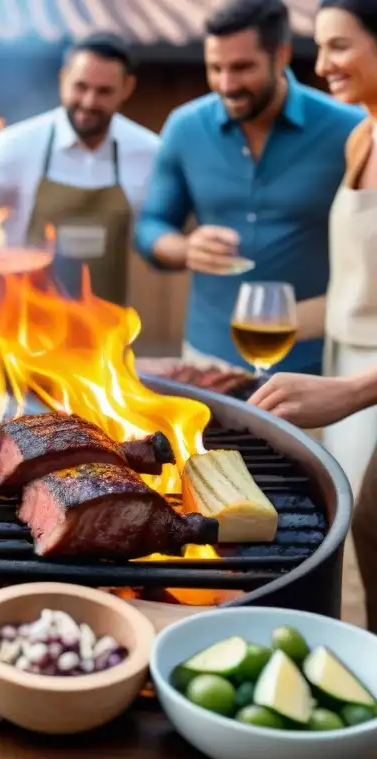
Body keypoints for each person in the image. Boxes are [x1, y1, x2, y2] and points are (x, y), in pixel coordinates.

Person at [133, 0, 364, 375]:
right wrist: (185, 248)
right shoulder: (184, 127)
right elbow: (150, 226)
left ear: (282, 55)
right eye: (215, 68)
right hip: (208, 361)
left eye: (242, 68)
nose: (227, 84)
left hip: (314, 364)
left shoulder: (349, 128)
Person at [250, 0, 377, 631]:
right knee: (366, 545)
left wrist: (353, 392)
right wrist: (274, 324)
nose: (321, 65)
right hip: (345, 371)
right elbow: (361, 290)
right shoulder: (363, 134)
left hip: (365, 386)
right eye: (319, 47)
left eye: (340, 47)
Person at [0, 33, 160, 306]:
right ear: (63, 79)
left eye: (104, 91)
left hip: (106, 332)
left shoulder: (150, 152)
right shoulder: (15, 145)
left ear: (127, 88)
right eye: (80, 87)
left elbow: (157, 232)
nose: (89, 102)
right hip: (24, 328)